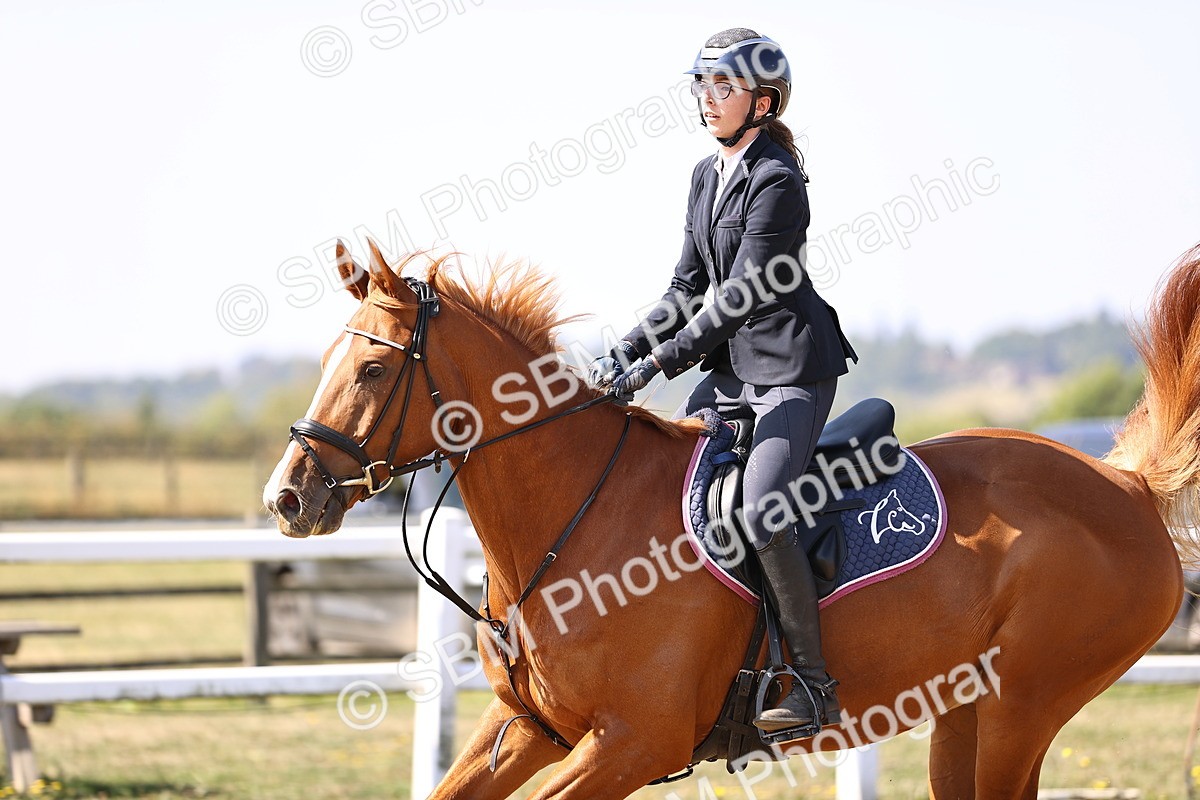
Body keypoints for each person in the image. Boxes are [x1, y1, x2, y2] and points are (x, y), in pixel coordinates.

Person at [587, 28, 857, 736]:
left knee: (764, 507)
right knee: (666, 489)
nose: (708, 100)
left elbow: (738, 295)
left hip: (790, 374)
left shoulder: (777, 179)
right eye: (703, 86)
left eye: (724, 88)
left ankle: (812, 685)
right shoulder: (706, 175)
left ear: (762, 101)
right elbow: (686, 286)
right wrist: (622, 352)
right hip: (731, 376)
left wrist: (659, 364)